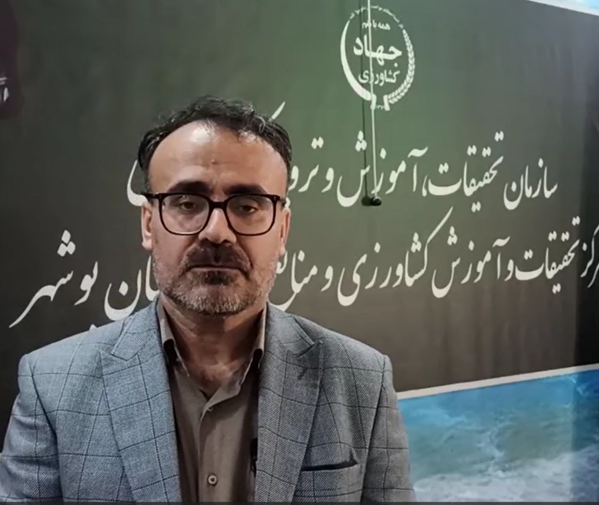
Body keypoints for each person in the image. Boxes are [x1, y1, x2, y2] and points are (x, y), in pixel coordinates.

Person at [0, 96, 415, 502]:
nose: (217, 232)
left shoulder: (361, 381)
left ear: (282, 230)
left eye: (248, 206)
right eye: (187, 203)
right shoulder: (53, 387)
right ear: (148, 223)